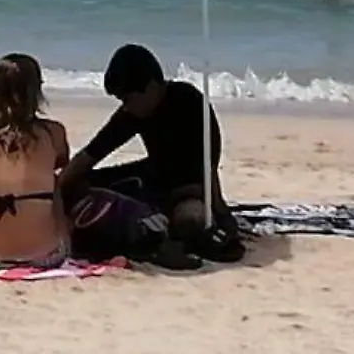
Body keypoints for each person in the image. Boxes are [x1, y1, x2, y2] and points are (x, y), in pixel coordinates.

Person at [59, 43, 245, 264]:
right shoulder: (135, 111)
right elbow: (91, 153)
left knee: (191, 218)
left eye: (127, 99)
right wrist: (52, 190)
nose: (125, 107)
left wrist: (220, 209)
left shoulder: (189, 103)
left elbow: (208, 166)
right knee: (78, 184)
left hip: (190, 187)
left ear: (151, 87)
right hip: (152, 176)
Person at [0, 54, 70, 270]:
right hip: (45, 256)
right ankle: (58, 239)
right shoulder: (54, 132)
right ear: (36, 91)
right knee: (50, 182)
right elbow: (61, 161)